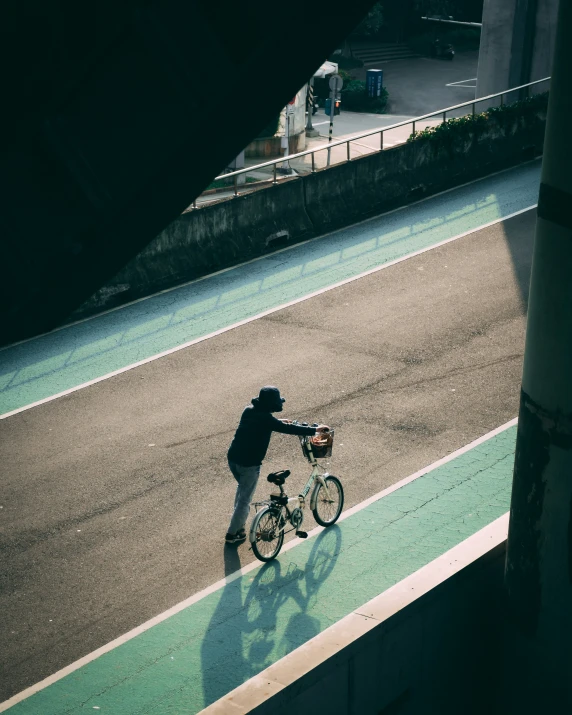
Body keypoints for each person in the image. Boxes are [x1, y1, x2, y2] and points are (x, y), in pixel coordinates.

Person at [225, 386, 329, 544]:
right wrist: (315, 430)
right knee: (245, 500)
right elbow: (289, 429)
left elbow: (267, 422)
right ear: (271, 404)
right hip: (249, 464)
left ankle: (239, 527)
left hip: (233, 459)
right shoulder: (266, 419)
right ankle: (232, 534)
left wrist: (278, 422)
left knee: (241, 492)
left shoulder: (249, 410)